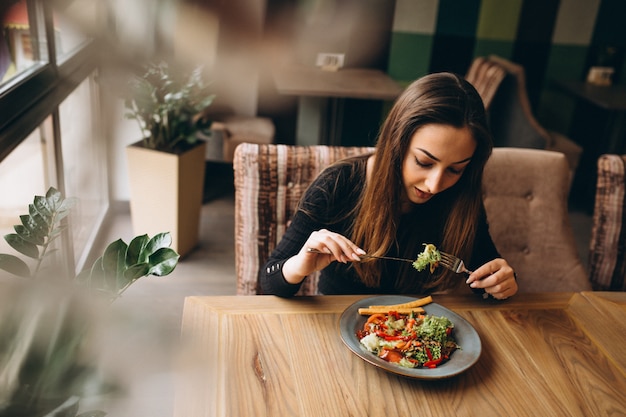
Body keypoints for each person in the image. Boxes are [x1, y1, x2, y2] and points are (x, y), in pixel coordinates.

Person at [259, 72, 518, 299]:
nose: (435, 185)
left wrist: (501, 282)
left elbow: (486, 277)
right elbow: (269, 283)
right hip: (339, 319)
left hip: (416, 326)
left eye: (455, 169)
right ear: (397, 144)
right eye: (424, 162)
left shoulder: (461, 194)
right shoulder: (337, 185)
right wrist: (299, 265)